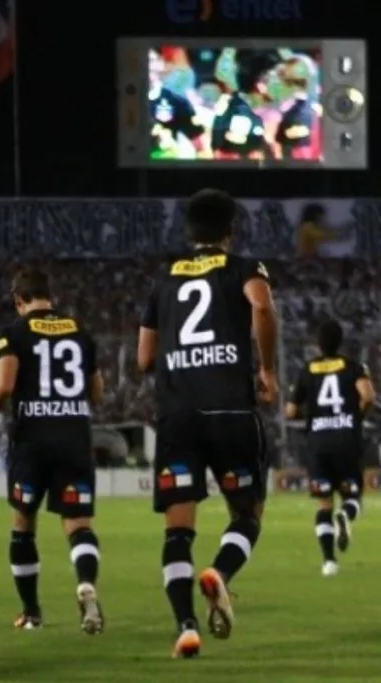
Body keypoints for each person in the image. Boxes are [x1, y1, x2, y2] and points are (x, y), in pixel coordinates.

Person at [137, 188, 279, 659]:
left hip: (178, 417)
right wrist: (266, 370)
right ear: (230, 230)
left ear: (189, 231)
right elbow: (261, 305)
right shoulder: (244, 268)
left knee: (178, 532)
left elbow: (144, 358)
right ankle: (220, 572)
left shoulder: (162, 281)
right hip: (231, 411)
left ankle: (185, 628)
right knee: (246, 514)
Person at [0, 267, 105, 634]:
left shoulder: (14, 333)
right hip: (75, 437)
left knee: (23, 524)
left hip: (32, 440)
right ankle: (86, 583)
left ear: (18, 301)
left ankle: (31, 612)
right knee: (78, 525)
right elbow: (97, 393)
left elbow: (3, 386)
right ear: (51, 297)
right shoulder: (80, 332)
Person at [284, 320, 375, 576]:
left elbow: (290, 411)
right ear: (341, 341)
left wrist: (310, 411)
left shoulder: (307, 370)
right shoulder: (353, 367)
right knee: (353, 496)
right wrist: (356, 416)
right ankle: (346, 514)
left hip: (319, 442)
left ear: (318, 344)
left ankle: (329, 563)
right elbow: (368, 396)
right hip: (346, 439)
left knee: (323, 504)